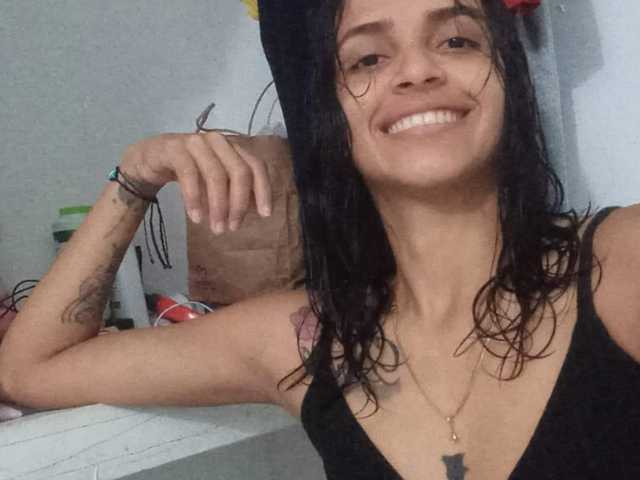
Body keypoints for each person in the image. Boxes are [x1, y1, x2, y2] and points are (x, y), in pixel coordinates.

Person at [1, 0, 639, 478]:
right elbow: (31, 369)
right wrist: (136, 178)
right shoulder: (303, 341)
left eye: (456, 40)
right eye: (368, 58)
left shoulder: (621, 262)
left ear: (507, 81)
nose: (418, 70)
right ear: (333, 115)